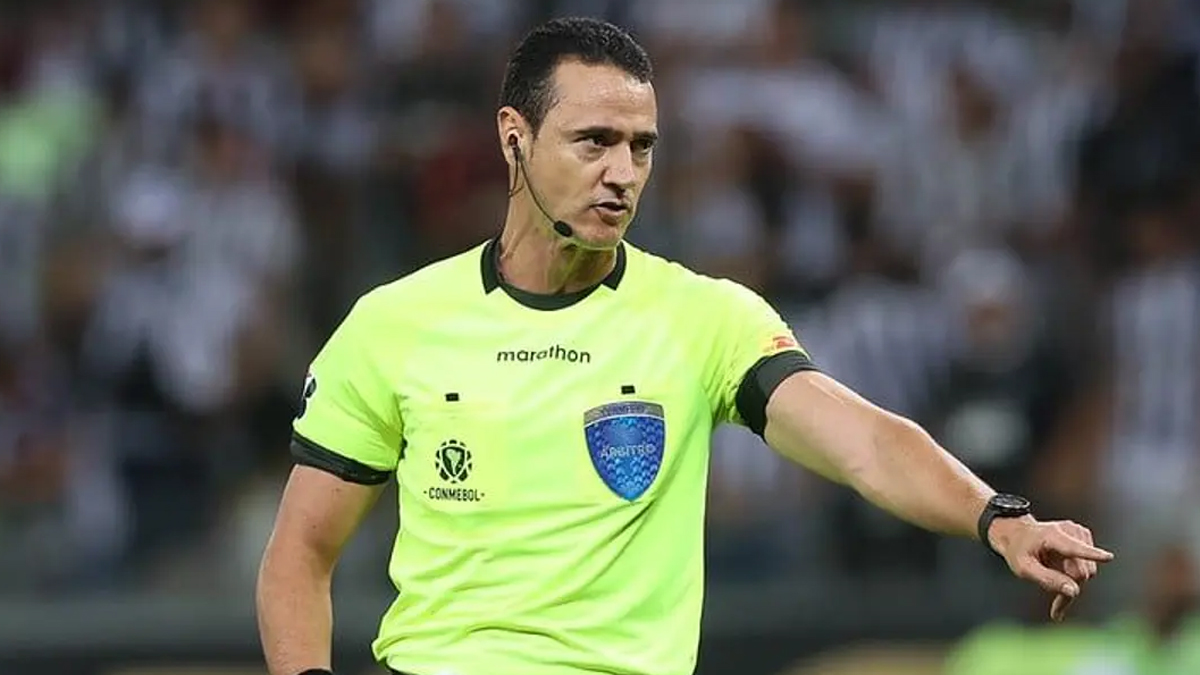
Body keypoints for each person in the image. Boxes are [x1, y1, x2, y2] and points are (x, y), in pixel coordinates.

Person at [255, 17, 1114, 675]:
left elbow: (863, 440)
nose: (622, 172)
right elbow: (300, 554)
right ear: (514, 135)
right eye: (594, 141)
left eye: (641, 147)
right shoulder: (395, 323)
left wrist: (996, 516)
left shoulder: (703, 317)